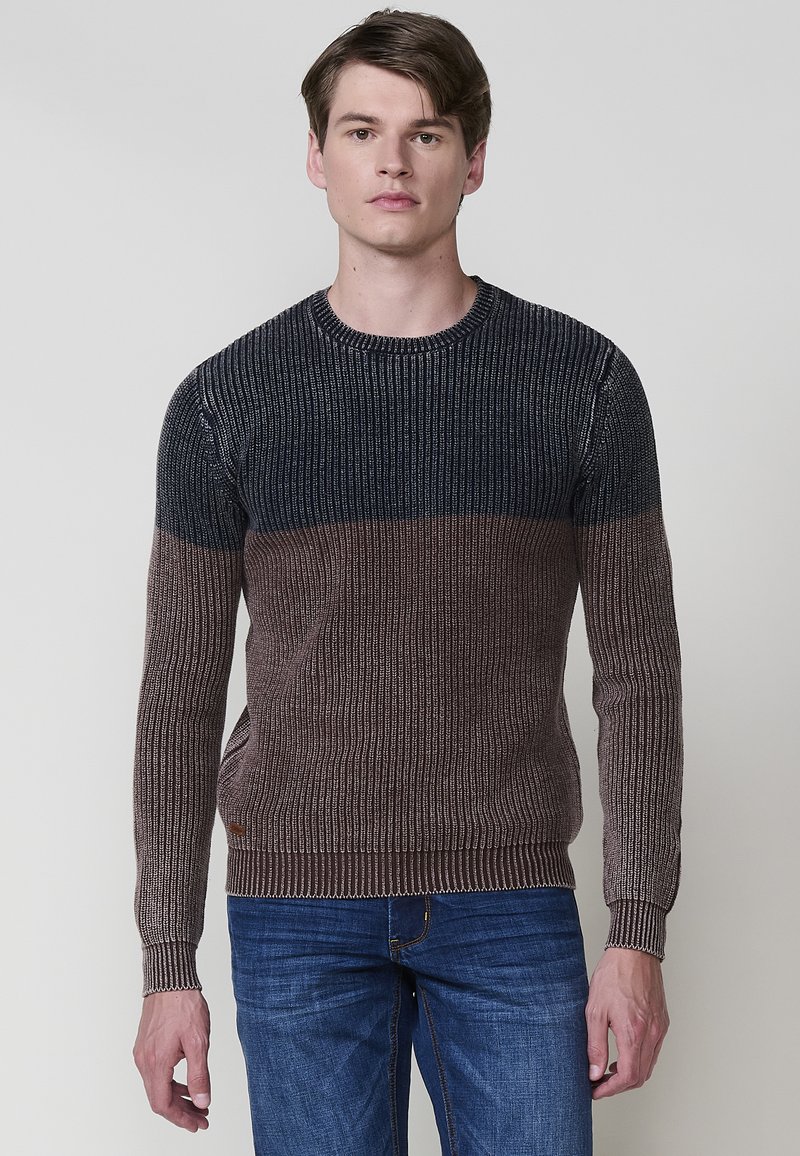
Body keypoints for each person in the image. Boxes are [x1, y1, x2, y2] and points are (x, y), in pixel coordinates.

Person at [132, 8, 682, 1153]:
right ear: (315, 156)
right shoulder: (225, 403)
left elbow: (636, 671)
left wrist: (635, 930)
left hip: (510, 904)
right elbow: (178, 695)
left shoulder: (580, 385)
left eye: (425, 133)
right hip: (294, 911)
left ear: (472, 160)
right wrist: (166, 962)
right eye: (360, 131)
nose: (391, 161)